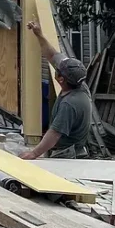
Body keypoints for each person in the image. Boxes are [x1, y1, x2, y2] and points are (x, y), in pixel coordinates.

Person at [19, 21, 91, 159]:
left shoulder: (69, 104)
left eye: (57, 69)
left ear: (61, 79)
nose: (55, 67)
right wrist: (39, 34)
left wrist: (33, 153)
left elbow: (54, 134)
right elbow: (52, 55)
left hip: (66, 155)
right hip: (71, 149)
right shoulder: (79, 84)